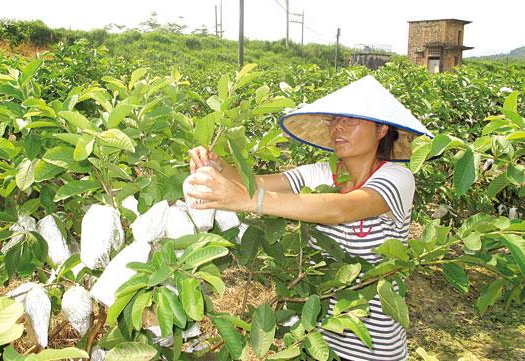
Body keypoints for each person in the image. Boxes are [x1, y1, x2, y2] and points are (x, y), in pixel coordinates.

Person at [185, 75, 433, 361]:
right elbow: (256, 183)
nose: (338, 128)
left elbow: (340, 209)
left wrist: (248, 201)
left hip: (373, 346)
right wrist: (217, 165)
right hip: (316, 338)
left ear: (381, 130)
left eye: (350, 121)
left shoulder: (398, 177)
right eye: (334, 120)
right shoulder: (320, 173)